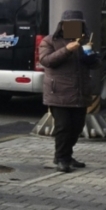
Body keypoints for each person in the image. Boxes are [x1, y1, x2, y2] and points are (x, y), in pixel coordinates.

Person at [38, 10, 100, 172]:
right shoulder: (50, 40)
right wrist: (67, 50)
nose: (74, 27)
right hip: (58, 91)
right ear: (62, 25)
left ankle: (67, 155)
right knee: (63, 127)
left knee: (77, 127)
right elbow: (46, 61)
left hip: (80, 92)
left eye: (78, 24)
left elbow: (94, 64)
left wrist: (91, 56)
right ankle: (61, 158)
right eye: (70, 24)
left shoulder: (84, 40)